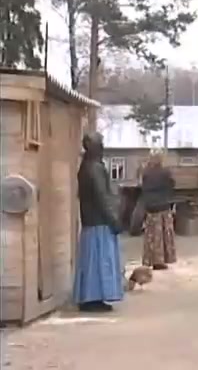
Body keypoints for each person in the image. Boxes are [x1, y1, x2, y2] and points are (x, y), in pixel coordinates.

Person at [73, 132, 124, 312]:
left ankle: (90, 297)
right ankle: (93, 298)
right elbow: (102, 197)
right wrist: (114, 219)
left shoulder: (85, 166)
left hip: (90, 221)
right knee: (100, 261)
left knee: (90, 261)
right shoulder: (95, 168)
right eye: (100, 143)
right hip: (99, 221)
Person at [140, 150, 177, 270]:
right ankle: (160, 260)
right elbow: (172, 185)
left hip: (150, 207)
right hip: (163, 206)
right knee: (162, 234)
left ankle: (149, 259)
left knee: (151, 234)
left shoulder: (146, 172)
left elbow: (143, 187)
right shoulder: (165, 172)